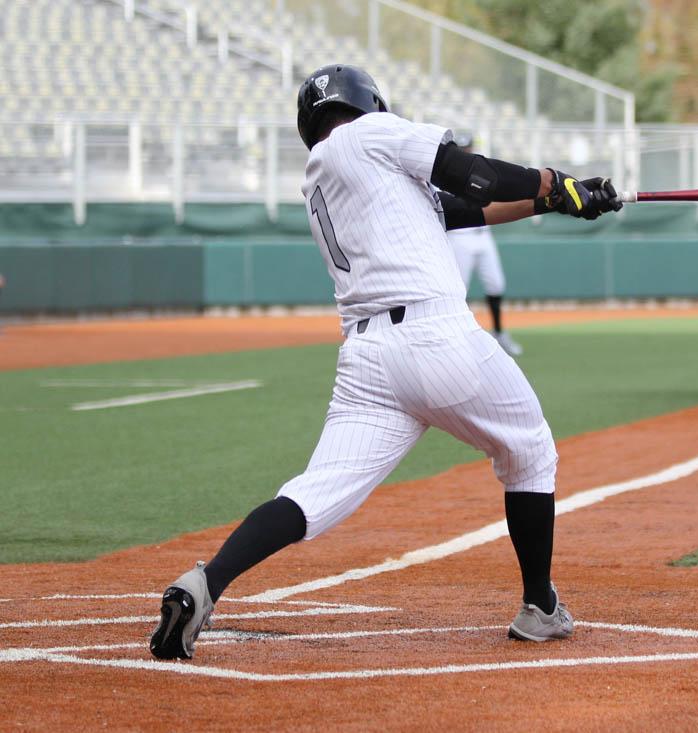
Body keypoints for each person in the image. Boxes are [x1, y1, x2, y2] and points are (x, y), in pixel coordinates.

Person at [149, 64, 622, 660]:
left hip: (368, 363)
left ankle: (204, 583)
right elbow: (469, 173)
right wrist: (554, 181)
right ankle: (539, 607)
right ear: (367, 102)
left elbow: (462, 210)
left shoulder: (327, 177)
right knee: (529, 449)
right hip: (436, 336)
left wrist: (553, 202)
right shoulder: (371, 134)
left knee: (312, 495)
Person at [447, 131, 523, 357]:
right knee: (459, 290)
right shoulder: (447, 174)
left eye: (468, 148)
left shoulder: (479, 170)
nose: (466, 152)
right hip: (460, 236)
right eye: (462, 150)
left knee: (496, 284)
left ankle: (499, 333)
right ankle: (458, 337)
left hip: (483, 235)